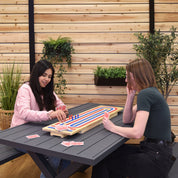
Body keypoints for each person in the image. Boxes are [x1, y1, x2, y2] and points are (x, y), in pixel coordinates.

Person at [92, 58, 175, 178]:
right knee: (108, 155)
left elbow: (136, 133)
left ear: (136, 77)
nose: (126, 80)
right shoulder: (151, 92)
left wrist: (112, 127)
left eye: (128, 77)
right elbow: (127, 119)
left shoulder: (146, 94)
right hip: (159, 152)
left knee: (103, 161)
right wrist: (130, 96)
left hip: (155, 158)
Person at [11, 59, 70, 178]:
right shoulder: (25, 89)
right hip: (18, 136)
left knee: (65, 147)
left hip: (38, 131)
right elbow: (24, 113)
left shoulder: (47, 89)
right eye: (44, 75)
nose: (47, 79)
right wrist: (49, 114)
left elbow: (59, 103)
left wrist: (62, 108)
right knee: (55, 151)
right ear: (36, 74)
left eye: (49, 76)